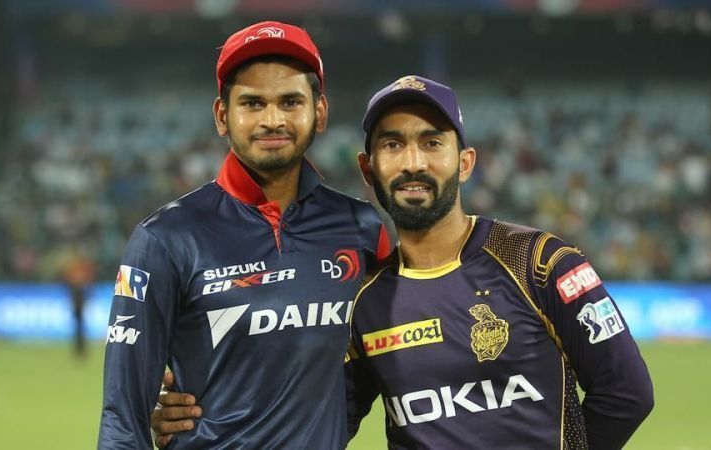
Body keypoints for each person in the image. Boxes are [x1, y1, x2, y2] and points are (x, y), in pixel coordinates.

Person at [153, 75, 654, 449]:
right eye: (393, 144)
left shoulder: (539, 262)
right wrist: (193, 415)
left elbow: (626, 393)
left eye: (432, 142)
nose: (413, 161)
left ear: (465, 161)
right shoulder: (362, 301)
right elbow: (313, 424)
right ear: (368, 169)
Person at [98, 21, 390, 449]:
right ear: (222, 116)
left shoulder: (364, 230)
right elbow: (123, 420)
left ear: (320, 112)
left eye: (290, 101)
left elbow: (391, 367)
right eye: (252, 103)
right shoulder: (164, 239)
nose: (272, 120)